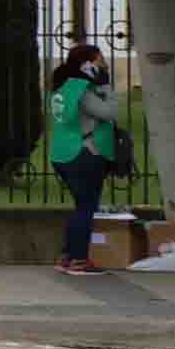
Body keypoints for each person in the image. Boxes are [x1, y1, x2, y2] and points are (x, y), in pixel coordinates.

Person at [49, 40, 125, 277]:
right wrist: (107, 88)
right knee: (86, 207)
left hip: (63, 153)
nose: (104, 64)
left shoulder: (63, 87)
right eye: (99, 59)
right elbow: (109, 112)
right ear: (88, 65)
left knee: (81, 206)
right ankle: (79, 260)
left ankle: (67, 257)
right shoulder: (83, 89)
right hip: (85, 153)